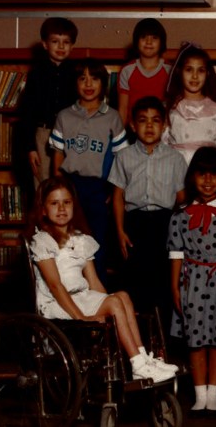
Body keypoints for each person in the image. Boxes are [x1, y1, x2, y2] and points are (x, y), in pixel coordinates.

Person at [28, 176, 178, 384]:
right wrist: (82, 317)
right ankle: (137, 364)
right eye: (54, 203)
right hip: (58, 303)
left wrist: (119, 311)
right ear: (43, 209)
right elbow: (55, 285)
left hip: (81, 297)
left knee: (122, 296)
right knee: (115, 302)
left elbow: (94, 282)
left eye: (67, 202)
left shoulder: (80, 240)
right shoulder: (42, 241)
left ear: (74, 205)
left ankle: (143, 359)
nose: (61, 208)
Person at [168, 147, 216, 416]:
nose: (208, 181)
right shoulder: (181, 215)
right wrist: (175, 287)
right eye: (202, 174)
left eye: (214, 175)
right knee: (196, 340)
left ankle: (214, 395)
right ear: (192, 177)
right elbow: (176, 254)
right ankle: (199, 394)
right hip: (193, 282)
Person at [108, 96, 187, 331]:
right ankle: (139, 341)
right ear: (133, 125)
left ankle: (163, 342)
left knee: (163, 280)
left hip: (165, 223)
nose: (149, 126)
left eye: (155, 121)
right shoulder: (124, 157)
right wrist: (121, 231)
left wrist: (178, 231)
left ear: (164, 126)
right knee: (135, 282)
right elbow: (118, 197)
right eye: (143, 121)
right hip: (135, 224)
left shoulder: (175, 159)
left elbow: (182, 200)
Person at [50, 58, 129, 284]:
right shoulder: (65, 116)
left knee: (96, 245)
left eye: (94, 78)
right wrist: (58, 188)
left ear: (103, 84)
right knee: (67, 244)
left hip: (98, 189)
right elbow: (57, 155)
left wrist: (112, 191)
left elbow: (120, 158)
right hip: (69, 187)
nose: (88, 84)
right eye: (82, 78)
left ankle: (97, 299)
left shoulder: (112, 116)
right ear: (75, 84)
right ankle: (69, 295)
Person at [15, 17, 78, 195]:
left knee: (67, 183)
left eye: (66, 42)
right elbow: (27, 114)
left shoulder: (76, 74)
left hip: (69, 135)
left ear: (72, 46)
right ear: (44, 44)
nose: (60, 47)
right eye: (55, 42)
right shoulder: (37, 75)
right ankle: (42, 222)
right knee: (43, 184)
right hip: (43, 134)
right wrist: (31, 148)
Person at [163, 43, 216, 164]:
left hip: (207, 172)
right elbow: (161, 147)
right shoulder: (169, 108)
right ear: (179, 72)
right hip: (175, 170)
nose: (195, 76)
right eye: (189, 70)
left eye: (200, 70)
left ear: (207, 73)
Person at [117, 18, 170, 126]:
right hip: (134, 129)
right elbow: (123, 108)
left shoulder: (169, 70)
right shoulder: (127, 70)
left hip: (162, 130)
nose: (149, 42)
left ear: (162, 42)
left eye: (154, 38)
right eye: (143, 37)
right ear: (136, 41)